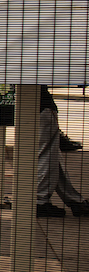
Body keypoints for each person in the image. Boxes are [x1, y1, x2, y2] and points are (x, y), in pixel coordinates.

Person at [37, 86, 88, 218]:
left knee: (51, 156)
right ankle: (39, 200)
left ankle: (75, 200)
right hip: (42, 108)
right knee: (47, 155)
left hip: (28, 109)